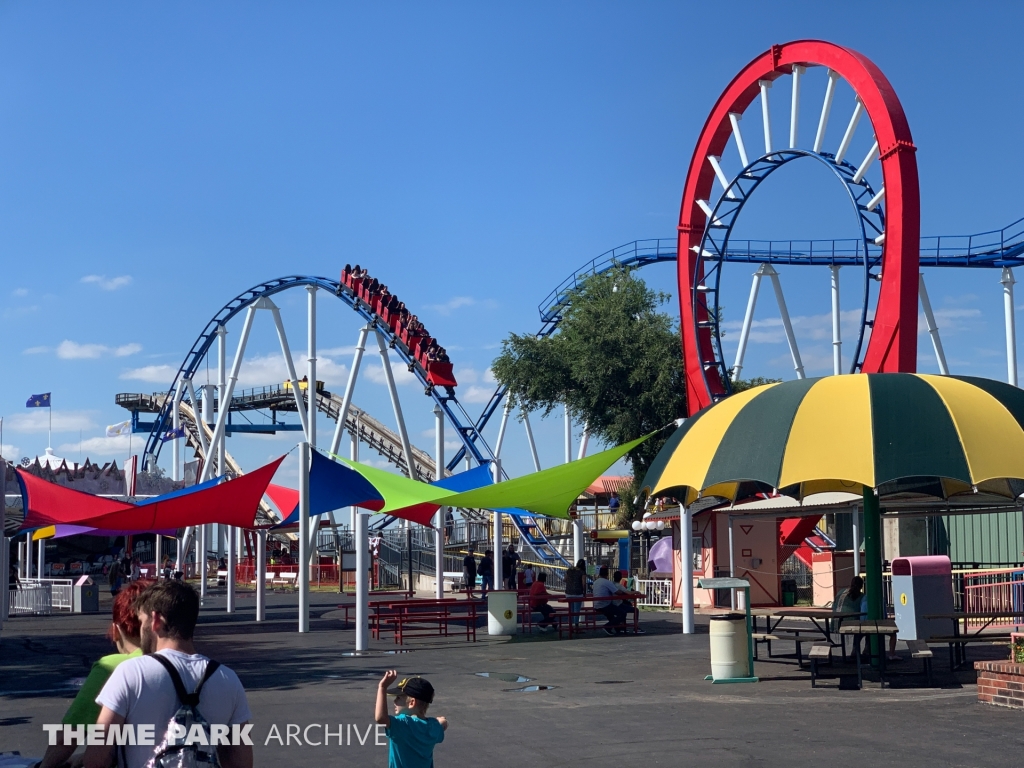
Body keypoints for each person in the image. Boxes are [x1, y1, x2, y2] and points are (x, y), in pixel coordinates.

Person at [83, 580, 253, 768]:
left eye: (141, 621)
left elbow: (95, 759)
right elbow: (242, 762)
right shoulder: (228, 679)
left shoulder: (131, 673)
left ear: (156, 620)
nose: (141, 630)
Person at [38, 581, 148, 768]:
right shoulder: (175, 663)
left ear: (115, 630)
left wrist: (45, 765)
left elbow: (70, 735)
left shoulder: (111, 667)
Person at [375, 671, 447, 768]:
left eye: (398, 698)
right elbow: (443, 723)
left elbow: (381, 718)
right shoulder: (433, 726)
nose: (395, 701)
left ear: (412, 703)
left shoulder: (402, 724)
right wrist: (441, 721)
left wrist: (382, 688)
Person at [592, 566, 643, 635]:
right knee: (622, 613)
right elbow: (618, 592)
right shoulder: (607, 582)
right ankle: (608, 626)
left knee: (611, 614)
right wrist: (626, 593)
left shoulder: (596, 582)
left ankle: (618, 629)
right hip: (605, 604)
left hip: (596, 604)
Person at [564, 559, 586, 627]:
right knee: (577, 610)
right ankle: (576, 626)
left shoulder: (570, 570)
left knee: (571, 610)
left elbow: (564, 579)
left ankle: (570, 625)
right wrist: (584, 592)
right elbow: (583, 584)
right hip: (578, 593)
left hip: (568, 593)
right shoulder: (582, 572)